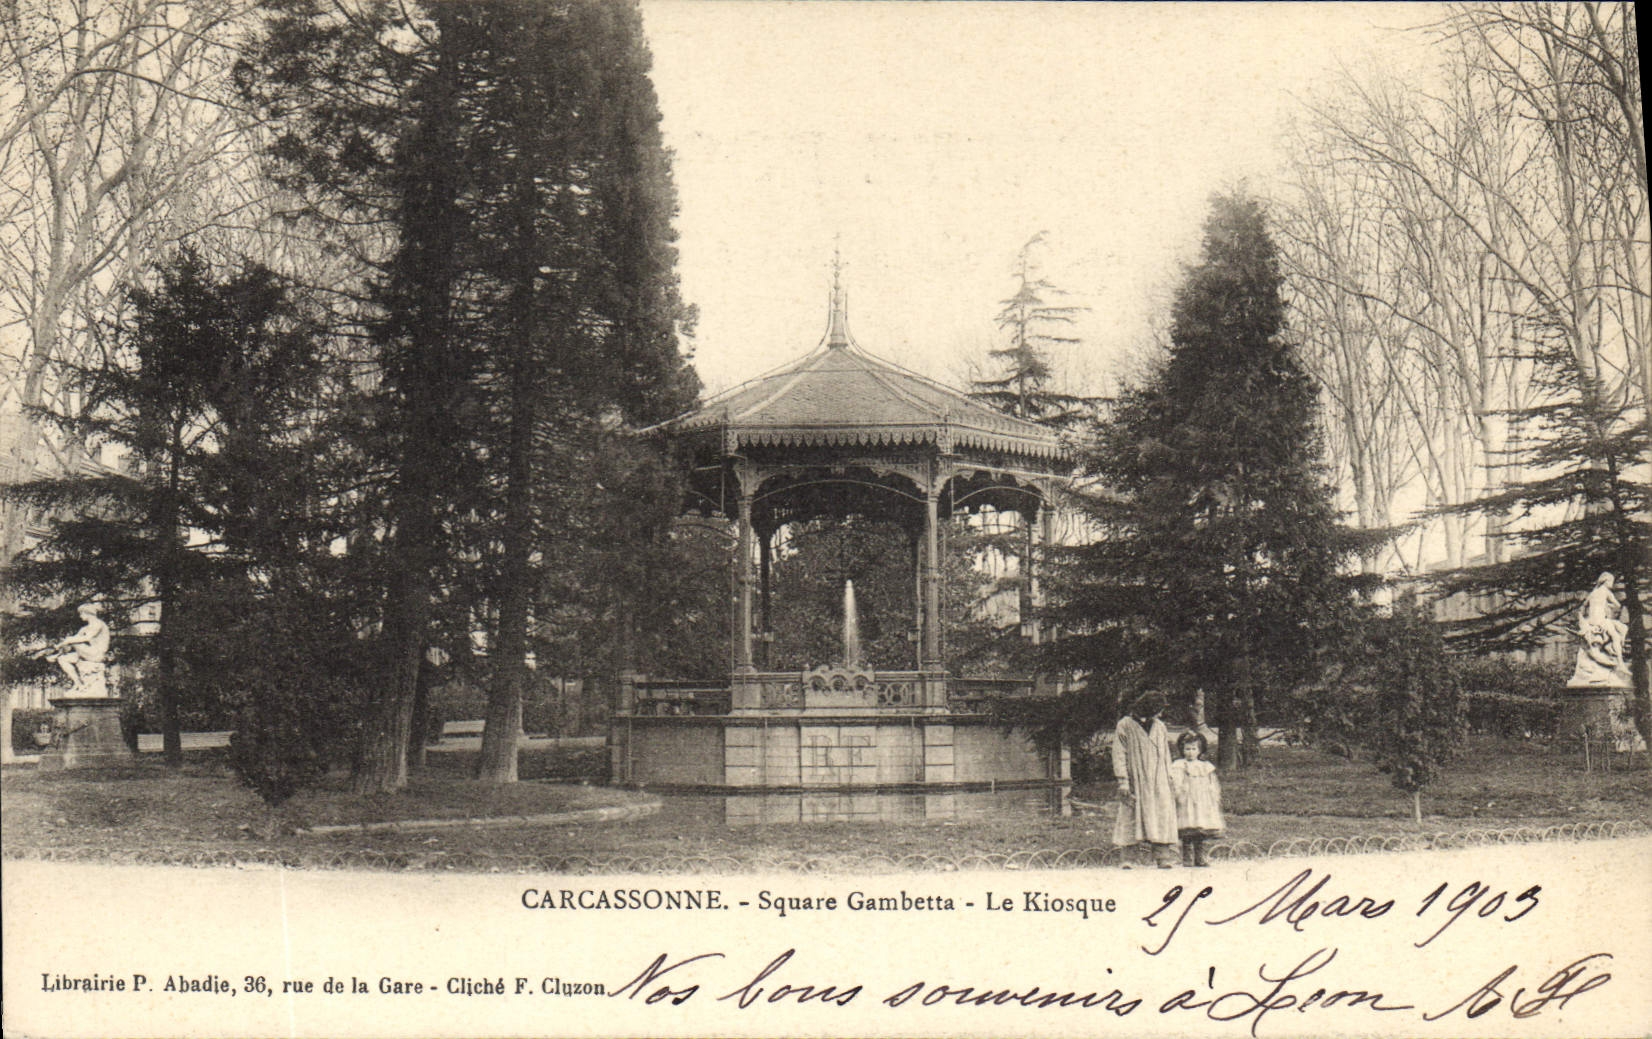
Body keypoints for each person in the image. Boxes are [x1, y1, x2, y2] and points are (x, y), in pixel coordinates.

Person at [1112, 691, 1179, 868]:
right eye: (1158, 709)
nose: (1161, 714)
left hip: (1159, 779)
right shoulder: (1125, 725)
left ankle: (1163, 856)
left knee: (1161, 813)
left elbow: (1165, 754)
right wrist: (1123, 781)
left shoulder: (1160, 726)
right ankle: (1128, 858)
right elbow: (1119, 754)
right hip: (1136, 779)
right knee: (1131, 815)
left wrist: (1170, 778)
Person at [1170, 730, 1224, 867]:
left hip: (1201, 801)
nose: (1190, 752)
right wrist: (1178, 794)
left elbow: (1212, 782)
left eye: (1194, 749)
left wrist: (1213, 796)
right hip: (1186, 799)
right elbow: (1176, 782)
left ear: (1199, 750)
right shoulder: (1179, 765)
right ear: (1182, 749)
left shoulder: (1205, 766)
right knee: (1187, 830)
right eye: (1187, 749)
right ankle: (1187, 858)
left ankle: (1200, 857)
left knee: (1200, 828)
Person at [47, 603, 111, 695]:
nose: (80, 616)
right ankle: (78, 684)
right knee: (63, 659)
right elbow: (74, 638)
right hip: (89, 653)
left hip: (98, 654)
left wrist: (66, 642)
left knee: (72, 641)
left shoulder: (98, 624)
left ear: (88, 613)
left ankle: (57, 654)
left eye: (82, 614)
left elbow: (86, 638)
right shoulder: (85, 628)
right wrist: (62, 645)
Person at [1581, 572, 1628, 667]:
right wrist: (1608, 605)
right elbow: (1617, 605)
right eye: (1611, 581)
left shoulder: (1593, 593)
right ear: (1606, 581)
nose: (1612, 583)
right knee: (1616, 636)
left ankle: (1611, 650)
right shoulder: (1606, 592)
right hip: (1601, 620)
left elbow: (1583, 606)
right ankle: (1620, 662)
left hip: (1591, 621)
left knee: (1621, 629)